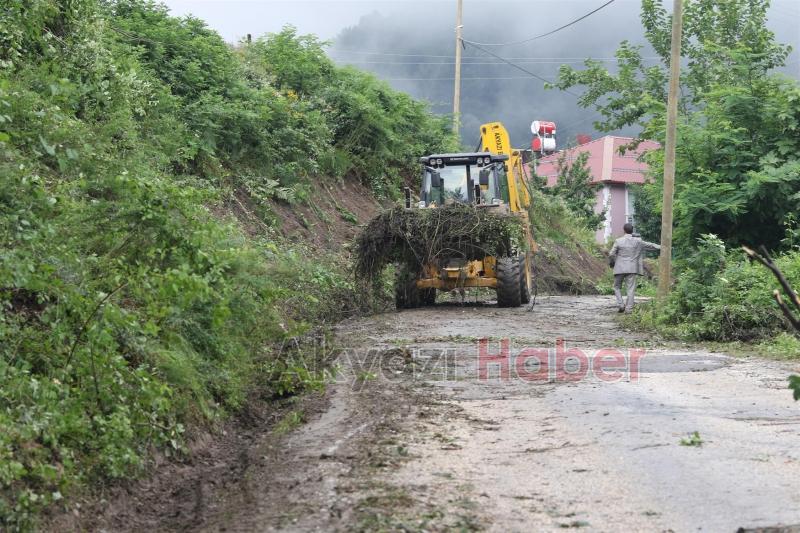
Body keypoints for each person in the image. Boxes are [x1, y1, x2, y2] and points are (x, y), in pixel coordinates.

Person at [608, 223, 661, 313]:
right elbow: (650, 245)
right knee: (631, 289)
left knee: (616, 287)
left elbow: (611, 254)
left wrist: (612, 262)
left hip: (619, 268)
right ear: (632, 231)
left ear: (624, 230)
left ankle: (621, 305)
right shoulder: (638, 241)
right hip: (632, 268)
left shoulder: (618, 241)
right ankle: (629, 309)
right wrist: (662, 247)